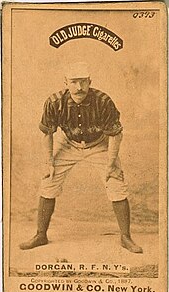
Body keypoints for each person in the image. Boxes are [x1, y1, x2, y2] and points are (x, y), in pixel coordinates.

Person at [20, 62, 143, 253]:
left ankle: (126, 238)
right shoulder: (55, 102)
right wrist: (49, 162)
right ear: (66, 82)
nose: (79, 88)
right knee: (48, 181)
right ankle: (40, 235)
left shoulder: (103, 101)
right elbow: (48, 133)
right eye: (74, 82)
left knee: (116, 183)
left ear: (90, 82)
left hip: (99, 144)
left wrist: (111, 164)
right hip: (68, 143)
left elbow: (116, 134)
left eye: (83, 82)